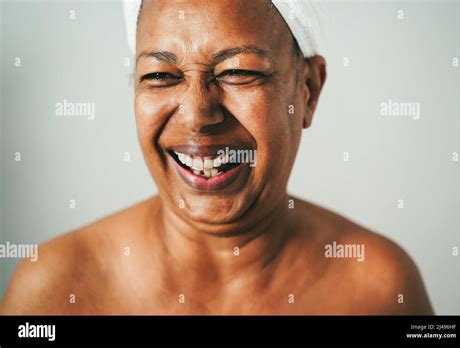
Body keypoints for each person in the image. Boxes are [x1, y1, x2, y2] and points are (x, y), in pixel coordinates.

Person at [1, 0, 433, 315]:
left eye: (238, 71)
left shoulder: (380, 287)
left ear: (308, 91)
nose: (196, 116)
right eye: (160, 76)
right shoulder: (54, 289)